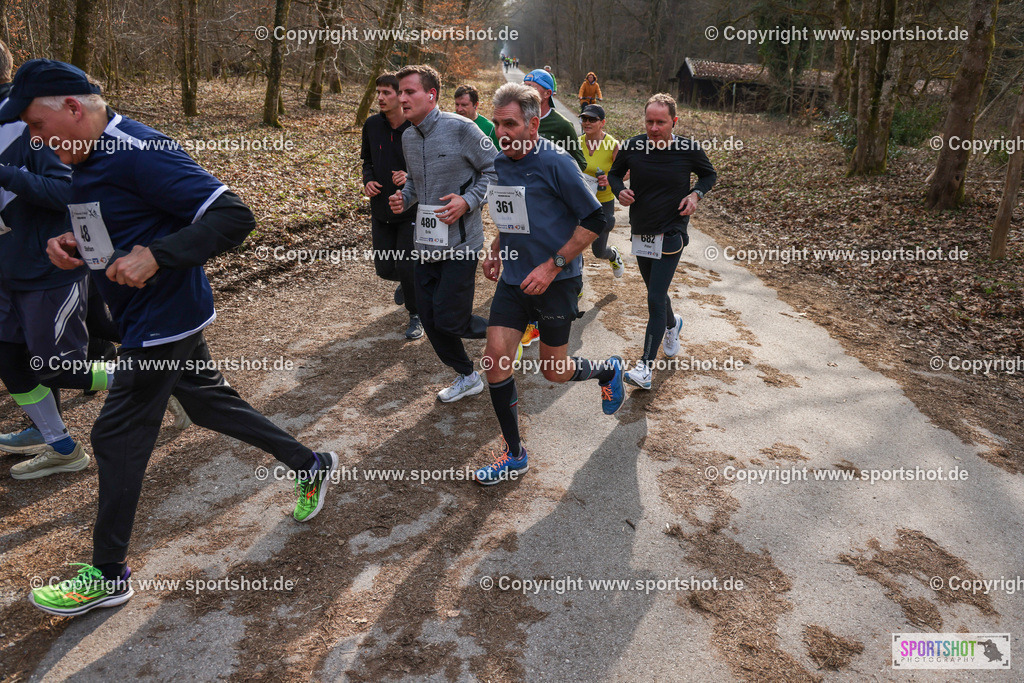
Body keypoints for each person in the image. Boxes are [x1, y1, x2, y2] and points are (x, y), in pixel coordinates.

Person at [2, 59, 338, 617]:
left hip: (164, 316)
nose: (36, 139)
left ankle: (108, 575)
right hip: (141, 313)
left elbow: (234, 216)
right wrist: (73, 243)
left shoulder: (140, 151)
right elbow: (120, 219)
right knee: (207, 403)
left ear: (72, 107)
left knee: (116, 433)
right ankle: (311, 463)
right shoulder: (83, 153)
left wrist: (158, 256)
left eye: (37, 125)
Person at [475, 83, 624, 485]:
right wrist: (496, 248)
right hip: (514, 278)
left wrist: (553, 266)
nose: (501, 133)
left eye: (510, 124)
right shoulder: (500, 162)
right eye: (497, 124)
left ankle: (606, 371)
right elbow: (512, 215)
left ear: (533, 125)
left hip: (557, 281)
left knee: (554, 371)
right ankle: (514, 454)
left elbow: (596, 219)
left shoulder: (557, 162)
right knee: (494, 360)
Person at [388, 65, 496, 402]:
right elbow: (417, 185)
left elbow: (495, 170)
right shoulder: (408, 137)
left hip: (461, 245)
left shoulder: (462, 129)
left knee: (451, 320)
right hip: (425, 244)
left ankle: (508, 329)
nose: (402, 99)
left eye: (409, 92)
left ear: (431, 95)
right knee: (430, 318)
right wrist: (403, 198)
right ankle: (468, 375)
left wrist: (468, 201)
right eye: (400, 92)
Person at [608, 93, 716, 389]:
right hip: (642, 229)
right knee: (656, 291)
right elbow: (615, 175)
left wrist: (695, 195)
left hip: (672, 230)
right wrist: (619, 191)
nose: (654, 128)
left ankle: (644, 367)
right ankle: (672, 324)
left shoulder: (688, 149)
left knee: (654, 298)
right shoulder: (632, 146)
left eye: (660, 122)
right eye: (649, 121)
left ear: (674, 121)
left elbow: (709, 175)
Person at [521, 68, 587, 348]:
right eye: (524, 83)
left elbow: (580, 163)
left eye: (532, 85)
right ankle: (530, 319)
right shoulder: (518, 120)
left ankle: (570, 284)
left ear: (547, 93)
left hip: (555, 205)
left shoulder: (561, 125)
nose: (525, 88)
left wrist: (554, 175)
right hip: (525, 202)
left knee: (554, 254)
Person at [361, 72, 422, 340]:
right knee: (385, 268)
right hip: (381, 209)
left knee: (408, 265)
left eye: (386, 92)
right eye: (378, 92)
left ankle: (416, 315)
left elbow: (427, 166)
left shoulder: (415, 128)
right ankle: (411, 283)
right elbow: (367, 161)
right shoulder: (372, 125)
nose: (380, 97)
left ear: (401, 96)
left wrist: (409, 177)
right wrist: (368, 180)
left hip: (410, 209)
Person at [577, 104, 623, 277]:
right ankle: (577, 280)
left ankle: (613, 255)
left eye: (592, 119)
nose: (587, 123)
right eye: (584, 119)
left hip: (603, 201)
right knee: (575, 245)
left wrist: (609, 179)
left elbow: (625, 172)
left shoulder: (613, 145)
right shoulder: (576, 143)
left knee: (599, 251)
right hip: (580, 200)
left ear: (602, 122)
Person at [453, 84, 499, 149]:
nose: (459, 109)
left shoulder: (490, 129)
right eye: (457, 104)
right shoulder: (448, 121)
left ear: (476, 105)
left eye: (464, 105)